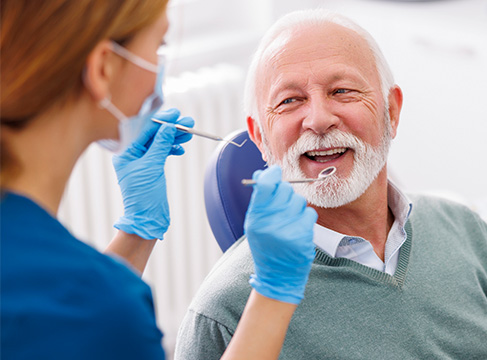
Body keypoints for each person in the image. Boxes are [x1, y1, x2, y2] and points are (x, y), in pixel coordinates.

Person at [174, 9, 487, 360]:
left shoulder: (465, 229)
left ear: (392, 112)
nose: (318, 120)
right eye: (290, 101)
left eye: (342, 91)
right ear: (260, 138)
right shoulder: (223, 313)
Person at [0, 1, 316, 359]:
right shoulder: (102, 309)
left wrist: (137, 230)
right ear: (104, 68)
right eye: (159, 45)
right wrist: (274, 292)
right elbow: (82, 315)